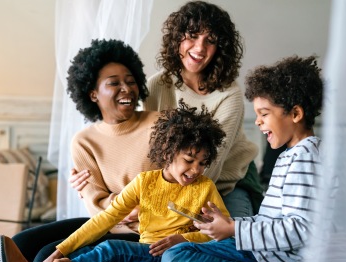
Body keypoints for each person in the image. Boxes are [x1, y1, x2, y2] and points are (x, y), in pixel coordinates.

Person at [0, 39, 159, 262]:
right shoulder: (84, 141)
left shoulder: (160, 125)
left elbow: (173, 182)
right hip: (106, 223)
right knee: (22, 242)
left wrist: (120, 203)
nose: (126, 88)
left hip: (146, 229)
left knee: (43, 256)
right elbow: (95, 205)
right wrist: (118, 204)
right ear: (93, 93)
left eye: (130, 81)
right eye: (114, 83)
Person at [0, 101, 230, 262]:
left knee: (110, 249)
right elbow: (106, 219)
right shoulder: (144, 182)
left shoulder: (205, 188)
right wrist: (60, 249)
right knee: (76, 255)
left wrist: (182, 239)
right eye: (189, 160)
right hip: (145, 247)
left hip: (169, 254)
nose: (196, 169)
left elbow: (221, 231)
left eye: (202, 162)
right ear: (168, 153)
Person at [72, 1, 263, 218]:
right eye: (192, 35)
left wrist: (152, 204)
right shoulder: (157, 86)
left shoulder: (229, 95)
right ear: (177, 39)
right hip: (178, 184)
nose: (200, 48)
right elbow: (153, 154)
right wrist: (90, 185)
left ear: (220, 49)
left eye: (210, 41)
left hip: (228, 181)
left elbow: (209, 165)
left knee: (230, 242)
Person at [159, 55, 324, 262]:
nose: (257, 121)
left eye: (264, 114)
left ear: (295, 114)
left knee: (174, 259)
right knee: (176, 253)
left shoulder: (306, 157)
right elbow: (270, 221)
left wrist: (234, 229)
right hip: (265, 251)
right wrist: (229, 225)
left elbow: (302, 231)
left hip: (276, 261)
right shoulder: (290, 155)